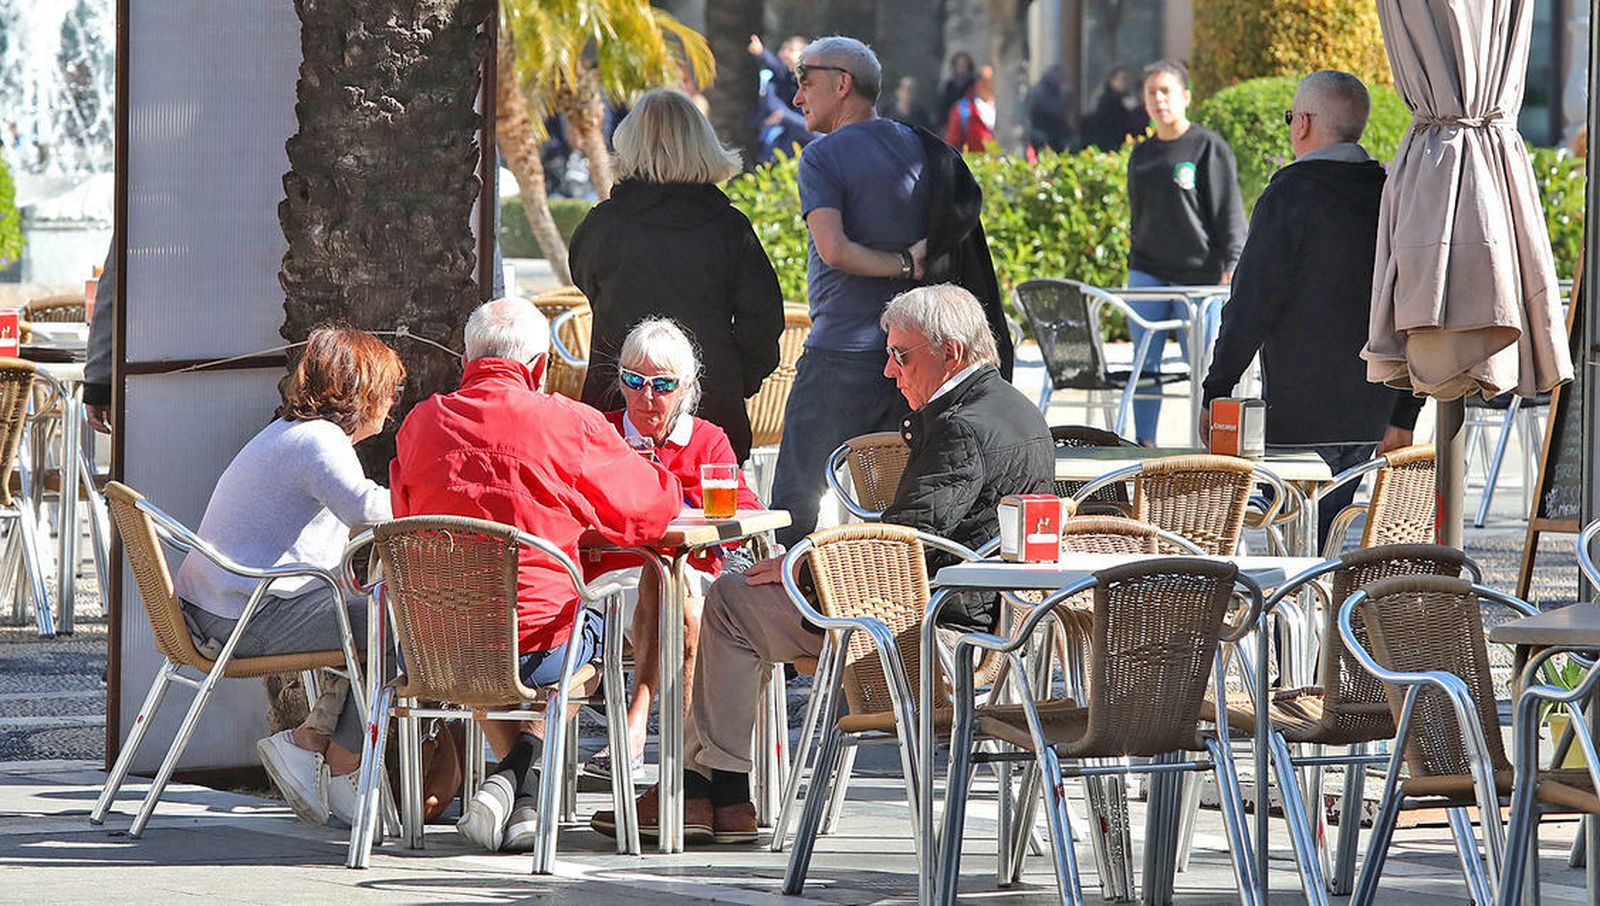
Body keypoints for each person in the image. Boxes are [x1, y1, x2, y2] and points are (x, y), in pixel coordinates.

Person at [591, 284, 1053, 843]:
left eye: (901, 354)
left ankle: (713, 792)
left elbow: (906, 543)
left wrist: (802, 570)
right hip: (975, 627)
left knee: (730, 601)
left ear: (951, 353)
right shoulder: (1014, 408)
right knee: (731, 598)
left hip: (920, 638)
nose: (888, 371)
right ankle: (713, 795)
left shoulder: (962, 426)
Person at [390, 297, 682, 853]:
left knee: (478, 634)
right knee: (582, 640)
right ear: (540, 367)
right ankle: (522, 782)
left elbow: (406, 519)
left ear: (467, 360)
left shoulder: (419, 423)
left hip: (433, 647)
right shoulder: (567, 423)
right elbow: (649, 512)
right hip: (536, 647)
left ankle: (517, 792)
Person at [173, 327, 404, 828]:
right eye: (390, 388)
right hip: (244, 616)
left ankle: (320, 741)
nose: (392, 401)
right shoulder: (319, 440)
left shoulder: (287, 431)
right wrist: (438, 496)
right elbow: (365, 507)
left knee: (367, 616)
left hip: (219, 606)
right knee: (401, 622)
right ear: (362, 389)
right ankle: (330, 755)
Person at [1200, 71, 1423, 546]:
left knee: (1296, 545)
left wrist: (1217, 387)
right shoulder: (1390, 194)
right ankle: (1322, 615)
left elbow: (1251, 304)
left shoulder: (1290, 194)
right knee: (1331, 541)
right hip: (1376, 409)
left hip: (1300, 413)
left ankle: (1304, 617)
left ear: (1302, 123)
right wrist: (1406, 410)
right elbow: (1416, 306)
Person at [579, 319, 763, 782]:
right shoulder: (599, 435)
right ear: (618, 379)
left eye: (662, 385)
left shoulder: (706, 440)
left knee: (677, 592)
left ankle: (638, 726)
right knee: (667, 585)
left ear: (686, 388)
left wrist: (679, 509)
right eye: (633, 381)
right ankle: (689, 773)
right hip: (608, 587)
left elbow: (747, 512)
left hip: (691, 580)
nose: (646, 397)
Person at [769, 35, 928, 548]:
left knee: (793, 508)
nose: (797, 98)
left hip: (840, 353)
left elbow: (833, 249)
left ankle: (789, 619)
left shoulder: (823, 156)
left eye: (805, 83)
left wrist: (901, 265)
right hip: (913, 355)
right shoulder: (921, 147)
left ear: (842, 85)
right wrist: (913, 266)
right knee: (897, 510)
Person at [570, 89, 785, 462]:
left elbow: (585, 284)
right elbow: (763, 325)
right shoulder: (729, 229)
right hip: (709, 411)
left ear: (629, 144)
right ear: (702, 144)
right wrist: (730, 380)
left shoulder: (602, 226)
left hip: (616, 411)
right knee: (712, 518)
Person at [1124, 60, 1246, 446]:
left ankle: (1208, 444)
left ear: (1185, 97)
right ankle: (1145, 443)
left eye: (1166, 91)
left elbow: (1228, 210)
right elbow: (1136, 212)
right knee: (1146, 364)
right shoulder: (1141, 154)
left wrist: (1232, 264)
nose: (1159, 99)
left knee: (1205, 366)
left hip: (1200, 277)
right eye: (1151, 93)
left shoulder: (1208, 147)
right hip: (1148, 272)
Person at [1081, 65, 1147, 153]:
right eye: (1123, 79)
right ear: (1112, 80)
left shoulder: (1126, 99)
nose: (1125, 83)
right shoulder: (1108, 100)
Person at [1025, 64, 1078, 154]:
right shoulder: (1040, 92)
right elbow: (1056, 110)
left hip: (1057, 135)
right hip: (1044, 136)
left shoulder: (1047, 90)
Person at [944, 64, 997, 152]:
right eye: (985, 81)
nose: (990, 85)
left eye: (991, 80)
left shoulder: (1004, 109)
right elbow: (952, 144)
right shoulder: (962, 109)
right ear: (977, 83)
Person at [935, 51, 977, 130]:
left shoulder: (974, 84)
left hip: (969, 123)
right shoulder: (950, 85)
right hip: (951, 124)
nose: (961, 66)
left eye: (964, 64)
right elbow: (944, 106)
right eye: (958, 64)